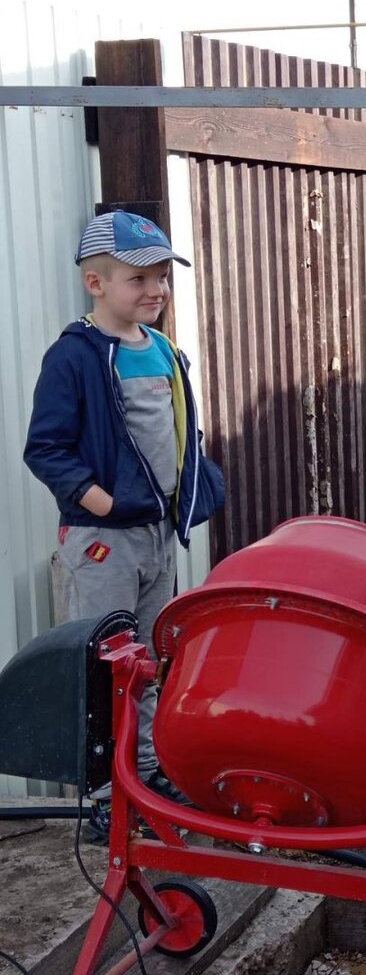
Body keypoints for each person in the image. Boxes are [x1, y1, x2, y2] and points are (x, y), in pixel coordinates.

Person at [24, 210, 225, 841]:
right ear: (96, 282)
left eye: (162, 276)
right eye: (138, 278)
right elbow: (46, 447)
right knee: (104, 664)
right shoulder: (76, 356)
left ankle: (144, 770)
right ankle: (106, 795)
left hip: (156, 536)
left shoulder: (161, 349)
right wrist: (101, 503)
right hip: (103, 541)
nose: (156, 289)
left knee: (145, 659)